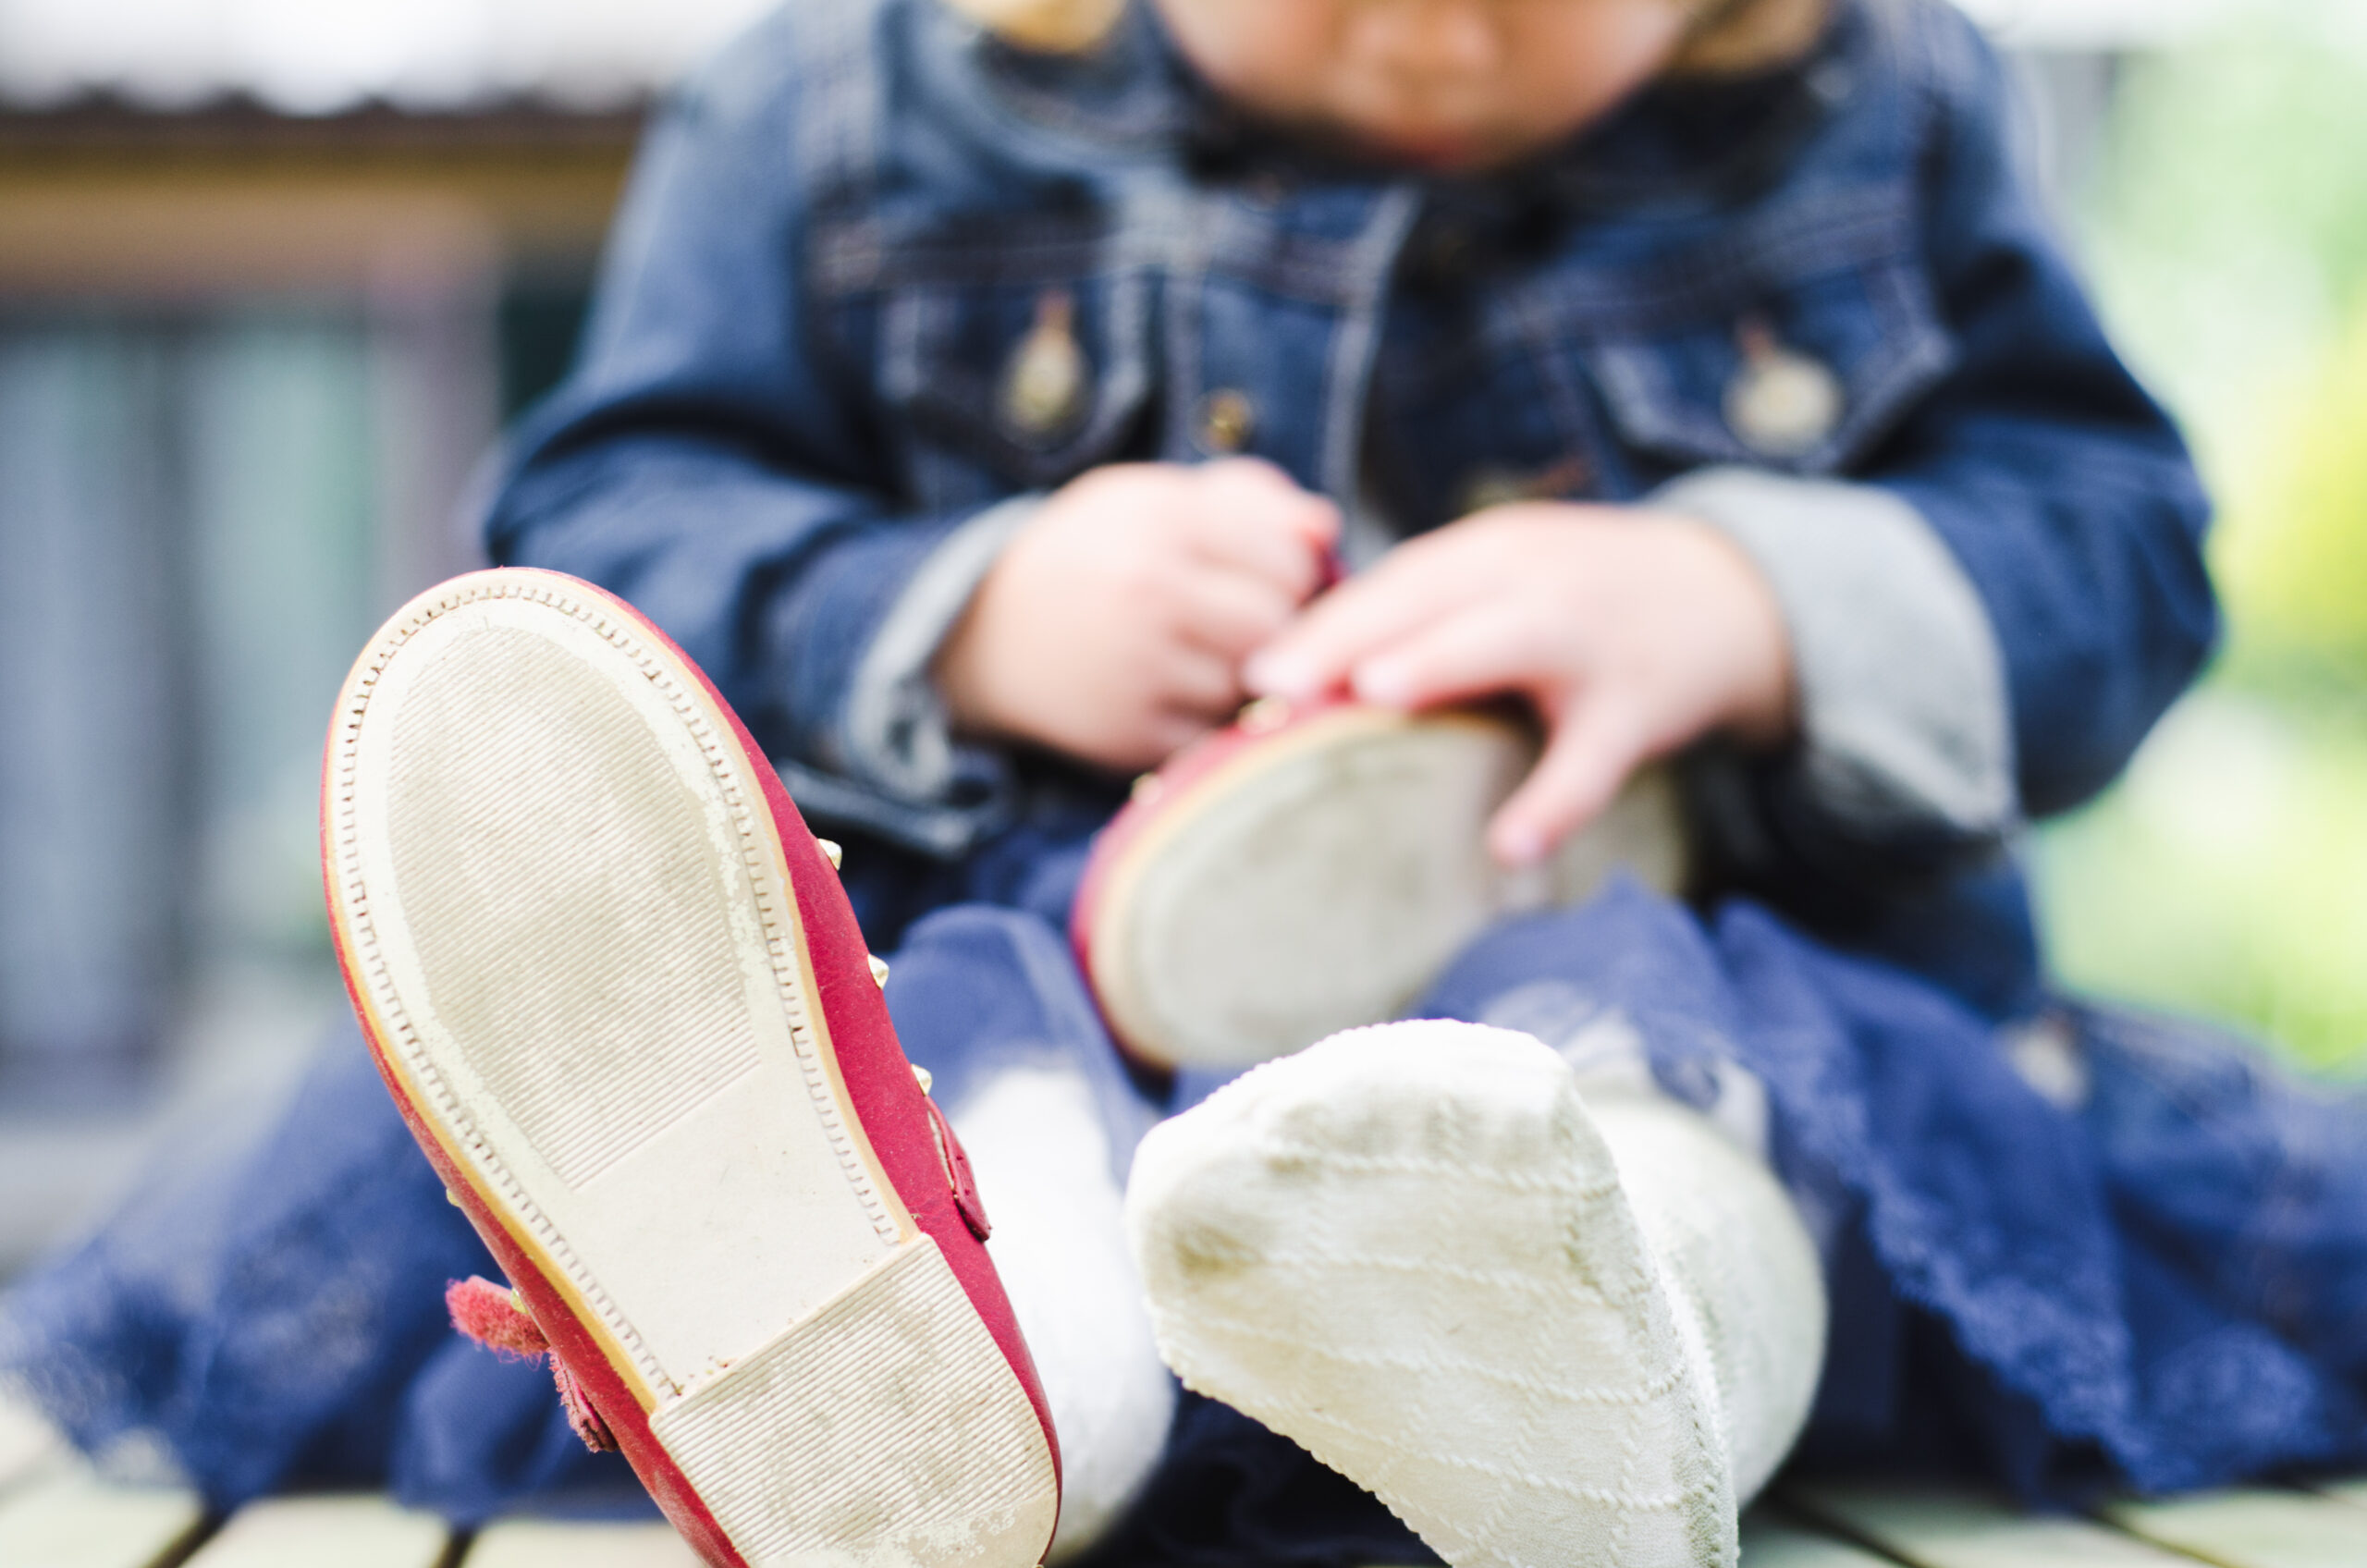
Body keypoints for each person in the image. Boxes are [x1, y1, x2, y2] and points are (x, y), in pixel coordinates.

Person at [6, 1, 2364, 1565]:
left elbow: (2112, 552)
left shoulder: (1880, 99)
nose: (1429, 32)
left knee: (1718, 1046)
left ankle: (1601, 1337)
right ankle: (974, 1395)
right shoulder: (851, 99)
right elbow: (601, 531)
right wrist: (967, 606)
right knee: (958, 1010)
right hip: (995, 1020)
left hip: (1701, 993)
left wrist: (1744, 602)